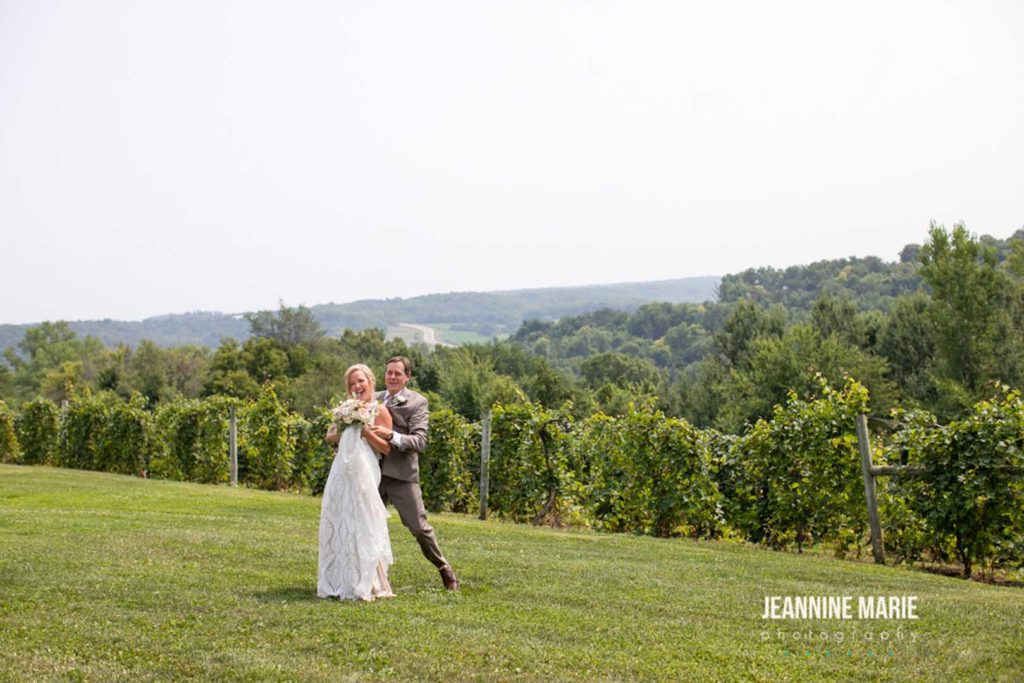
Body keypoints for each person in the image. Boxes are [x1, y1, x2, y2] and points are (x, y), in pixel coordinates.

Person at [368, 356, 459, 591]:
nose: (392, 377)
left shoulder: (417, 402)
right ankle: (370, 575)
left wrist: (391, 436)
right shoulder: (373, 398)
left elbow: (419, 441)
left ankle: (444, 568)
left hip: (401, 475)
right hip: (372, 473)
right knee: (366, 523)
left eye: (398, 373)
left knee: (418, 527)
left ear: (407, 377)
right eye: (389, 372)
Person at [317, 364, 395, 601]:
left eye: (360, 381)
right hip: (342, 469)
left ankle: (369, 581)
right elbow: (330, 435)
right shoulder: (345, 410)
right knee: (341, 518)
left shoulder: (380, 410)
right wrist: (348, 422)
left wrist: (365, 431)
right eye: (352, 384)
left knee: (364, 521)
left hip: (366, 469)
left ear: (371, 381)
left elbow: (386, 448)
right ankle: (341, 579)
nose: (357, 386)